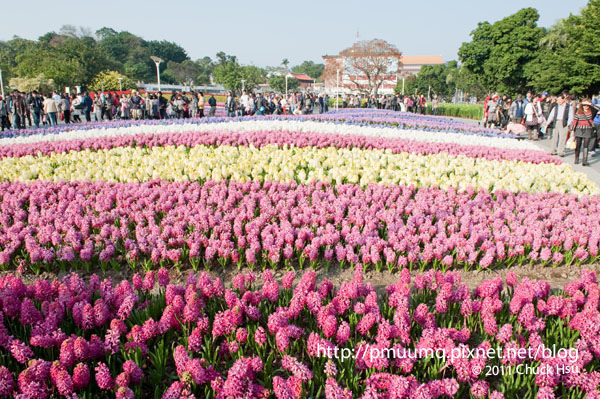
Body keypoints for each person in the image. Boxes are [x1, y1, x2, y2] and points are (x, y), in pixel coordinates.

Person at [571, 99, 598, 166]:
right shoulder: (578, 111)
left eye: (587, 105)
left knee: (586, 146)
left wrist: (590, 104)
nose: (585, 106)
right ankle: (576, 159)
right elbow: (575, 121)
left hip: (588, 130)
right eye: (584, 105)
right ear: (582, 105)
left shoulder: (591, 111)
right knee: (578, 145)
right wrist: (572, 130)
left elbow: (597, 108)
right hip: (579, 129)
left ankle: (584, 161)